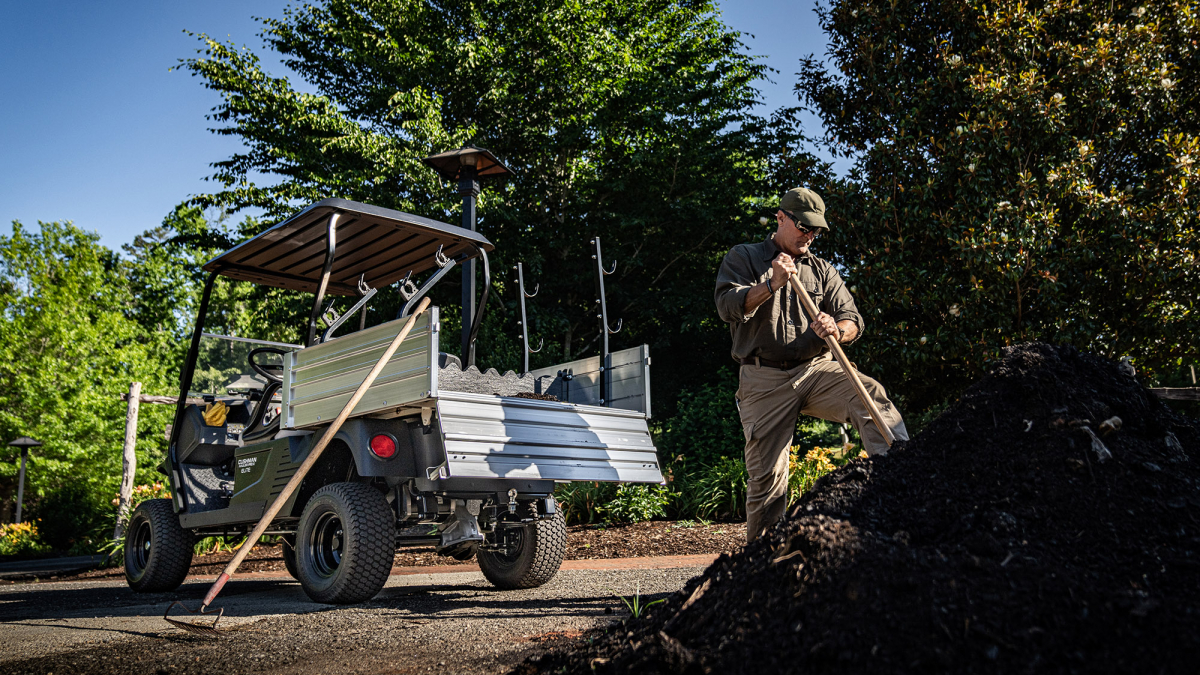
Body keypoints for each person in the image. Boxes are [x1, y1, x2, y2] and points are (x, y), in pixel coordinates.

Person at [714, 187, 909, 543]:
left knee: (869, 394)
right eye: (804, 227)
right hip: (764, 377)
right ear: (781, 218)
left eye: (816, 230)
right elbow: (728, 306)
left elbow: (853, 319)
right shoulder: (745, 257)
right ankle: (762, 565)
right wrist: (772, 284)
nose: (810, 236)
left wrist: (838, 329)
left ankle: (901, 485)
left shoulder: (821, 270)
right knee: (767, 480)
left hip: (816, 370)